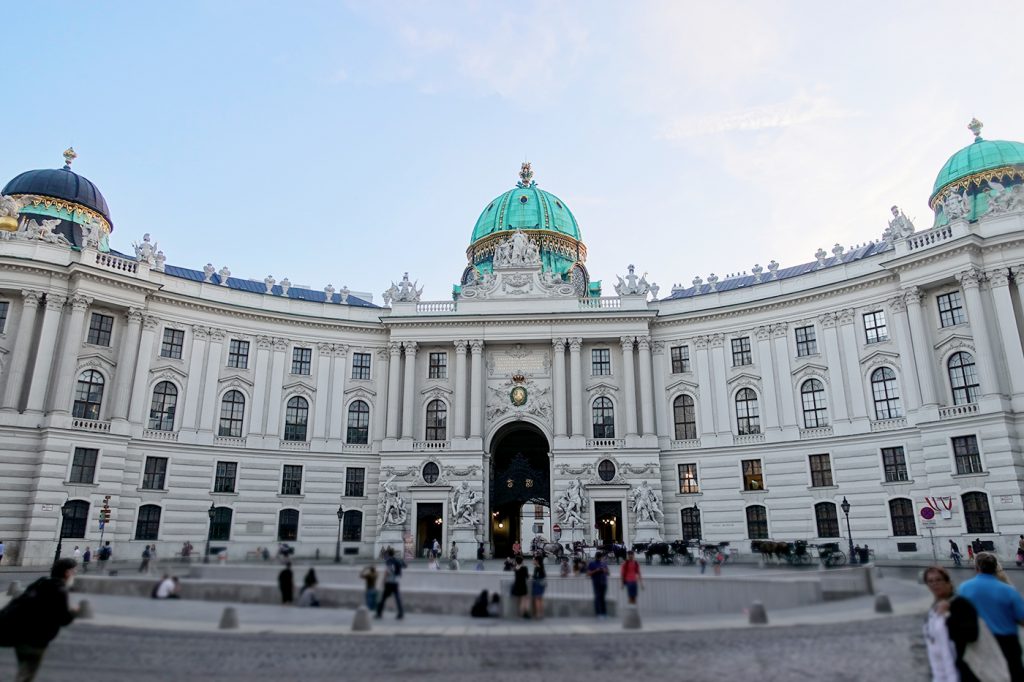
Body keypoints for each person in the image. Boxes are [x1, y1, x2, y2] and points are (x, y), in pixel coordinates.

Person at [0, 558, 79, 682]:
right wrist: (74, 612)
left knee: (23, 670)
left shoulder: (41, 582)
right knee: (26, 675)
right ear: (67, 572)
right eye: (74, 571)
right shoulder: (60, 590)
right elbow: (64, 619)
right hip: (36, 640)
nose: (75, 574)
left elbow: (21, 600)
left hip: (20, 633)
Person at [958, 552, 1024, 681]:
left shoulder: (964, 588)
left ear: (976, 568)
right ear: (995, 567)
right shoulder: (1008, 590)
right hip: (1007, 642)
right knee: (1014, 675)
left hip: (979, 642)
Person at [922, 565, 981, 681]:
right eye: (930, 581)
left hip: (964, 672)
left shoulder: (960, 603)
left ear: (948, 582)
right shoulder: (934, 608)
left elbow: (972, 634)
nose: (934, 584)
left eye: (938, 579)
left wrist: (948, 615)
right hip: (941, 673)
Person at [375, 548, 405, 619]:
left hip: (389, 582)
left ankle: (379, 613)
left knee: (383, 598)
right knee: (397, 598)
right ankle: (400, 613)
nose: (385, 555)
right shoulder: (397, 561)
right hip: (395, 582)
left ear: (388, 554)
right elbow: (400, 571)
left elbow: (387, 572)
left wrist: (383, 581)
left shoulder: (388, 561)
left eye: (386, 554)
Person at [587, 551, 610, 618]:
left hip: (604, 582)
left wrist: (604, 570)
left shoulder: (604, 564)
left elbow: (608, 573)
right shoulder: (592, 563)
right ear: (596, 557)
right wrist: (596, 570)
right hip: (596, 583)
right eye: (598, 556)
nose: (599, 558)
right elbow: (588, 573)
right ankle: (598, 613)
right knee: (597, 598)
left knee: (603, 598)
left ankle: (604, 613)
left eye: (600, 557)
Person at [531, 555, 547, 620]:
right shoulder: (542, 567)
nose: (533, 561)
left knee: (537, 600)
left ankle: (538, 614)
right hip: (541, 585)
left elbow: (535, 577)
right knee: (540, 599)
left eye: (534, 560)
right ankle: (541, 613)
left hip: (537, 585)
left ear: (537, 561)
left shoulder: (537, 567)